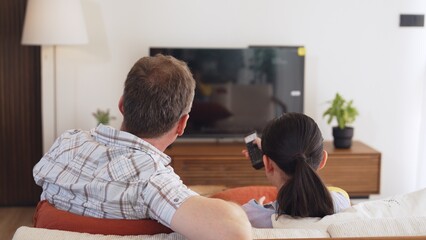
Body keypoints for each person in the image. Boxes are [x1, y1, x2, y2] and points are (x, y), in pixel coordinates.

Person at [33, 54, 252, 240]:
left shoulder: (67, 142)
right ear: (182, 124)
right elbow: (236, 230)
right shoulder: (151, 180)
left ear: (121, 105)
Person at [242, 112, 351, 228]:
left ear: (267, 163)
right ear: (322, 160)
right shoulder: (342, 202)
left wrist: (259, 209)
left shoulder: (249, 217)